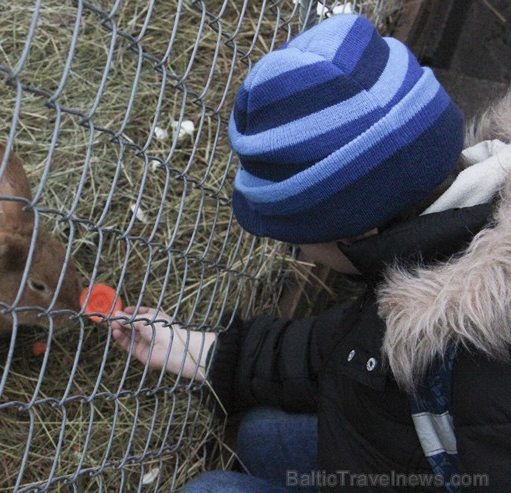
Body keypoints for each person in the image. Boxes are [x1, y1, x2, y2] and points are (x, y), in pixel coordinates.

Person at [111, 14, 511, 492]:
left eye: (298, 236)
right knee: (261, 436)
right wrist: (203, 352)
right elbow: (347, 347)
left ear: (363, 230)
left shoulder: (481, 375)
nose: (297, 250)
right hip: (395, 448)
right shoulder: (434, 249)